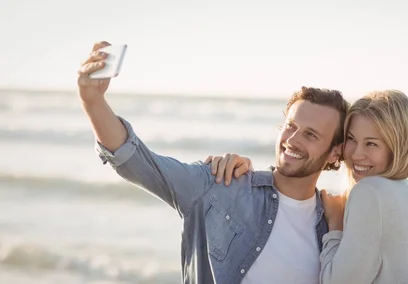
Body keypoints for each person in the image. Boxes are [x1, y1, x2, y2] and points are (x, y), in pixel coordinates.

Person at [77, 41, 351, 284]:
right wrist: (93, 101)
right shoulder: (220, 184)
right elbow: (136, 162)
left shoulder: (334, 224)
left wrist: (338, 226)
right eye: (290, 126)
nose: (292, 140)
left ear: (334, 153)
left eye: (311, 134)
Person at [207, 90, 408, 283]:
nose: (356, 154)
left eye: (371, 143)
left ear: (395, 146)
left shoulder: (369, 192)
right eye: (351, 139)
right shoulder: (403, 192)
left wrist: (335, 225)